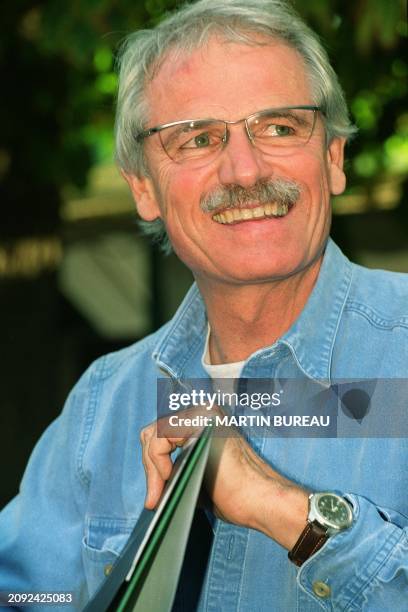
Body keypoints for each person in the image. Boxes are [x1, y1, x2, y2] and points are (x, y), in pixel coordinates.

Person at [1, 0, 407, 610]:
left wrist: (286, 511)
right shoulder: (105, 403)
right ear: (144, 188)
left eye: (279, 127)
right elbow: (31, 599)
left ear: (333, 158)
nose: (244, 171)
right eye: (198, 138)